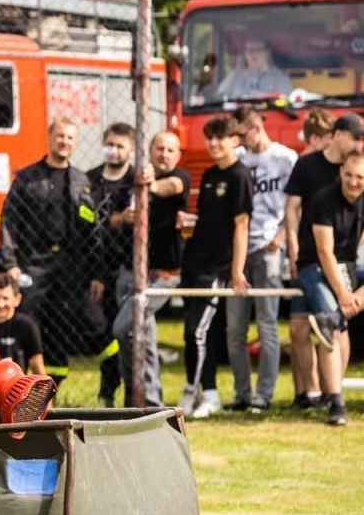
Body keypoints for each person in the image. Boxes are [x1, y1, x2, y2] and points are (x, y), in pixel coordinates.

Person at [297, 151, 364, 426]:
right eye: (349, 175)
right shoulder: (323, 200)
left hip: (348, 265)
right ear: (341, 173)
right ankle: (336, 402)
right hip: (314, 266)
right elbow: (324, 252)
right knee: (333, 329)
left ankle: (337, 315)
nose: (353, 182)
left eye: (360, 177)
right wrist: (343, 293)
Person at [284, 111, 364, 409]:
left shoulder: (356, 171)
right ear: (338, 135)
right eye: (356, 137)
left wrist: (350, 246)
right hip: (307, 259)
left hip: (338, 263)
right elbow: (292, 208)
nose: (360, 144)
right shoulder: (307, 165)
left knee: (335, 322)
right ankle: (309, 393)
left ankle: (333, 391)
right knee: (298, 327)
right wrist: (292, 248)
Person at [2, 117, 96, 384]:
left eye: (70, 137)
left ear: (75, 142)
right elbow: (8, 221)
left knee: (62, 322)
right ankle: (19, 381)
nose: (64, 141)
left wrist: (93, 270)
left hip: (70, 265)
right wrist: (10, 263)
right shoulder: (27, 178)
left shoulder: (81, 180)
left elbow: (92, 228)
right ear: (50, 138)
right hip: (34, 261)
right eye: (60, 136)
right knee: (28, 319)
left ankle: (52, 386)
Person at [178, 116, 253, 418]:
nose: (213, 143)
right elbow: (209, 220)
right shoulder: (209, 174)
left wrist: (236, 271)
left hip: (216, 269)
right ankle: (209, 394)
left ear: (235, 140)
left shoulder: (240, 176)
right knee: (198, 333)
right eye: (209, 137)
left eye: (219, 137)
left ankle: (189, 393)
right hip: (194, 263)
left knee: (194, 331)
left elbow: (241, 226)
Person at [226, 105, 299, 411]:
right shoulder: (237, 158)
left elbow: (296, 204)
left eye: (243, 134)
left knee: (267, 322)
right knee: (235, 328)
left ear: (256, 128)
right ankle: (242, 394)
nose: (240, 141)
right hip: (240, 249)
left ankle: (264, 395)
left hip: (269, 247)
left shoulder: (285, 158)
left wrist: (282, 237)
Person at [112, 130, 189, 406]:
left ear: (177, 155)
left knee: (124, 328)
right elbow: (111, 219)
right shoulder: (131, 181)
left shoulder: (180, 176)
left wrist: (150, 185)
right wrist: (124, 217)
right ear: (150, 150)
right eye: (159, 148)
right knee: (143, 338)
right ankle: (146, 401)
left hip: (162, 274)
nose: (164, 154)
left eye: (170, 150)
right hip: (129, 271)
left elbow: (171, 187)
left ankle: (140, 395)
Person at [87, 123, 136, 406]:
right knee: (104, 333)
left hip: (127, 265)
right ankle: (107, 392)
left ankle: (130, 390)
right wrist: (113, 220)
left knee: (125, 331)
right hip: (96, 264)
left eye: (120, 146)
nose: (114, 151)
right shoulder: (89, 179)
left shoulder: (136, 180)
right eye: (110, 144)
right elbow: (85, 222)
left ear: (131, 149)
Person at [0, 276, 46, 377]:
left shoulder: (26, 326)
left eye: (5, 298)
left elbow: (37, 366)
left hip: (15, 383)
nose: (0, 304)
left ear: (17, 299)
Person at [218, 35, 292, 100]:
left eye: (257, 50)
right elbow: (219, 97)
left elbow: (285, 102)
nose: (252, 54)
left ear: (267, 53)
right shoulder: (236, 77)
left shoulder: (280, 79)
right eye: (248, 50)